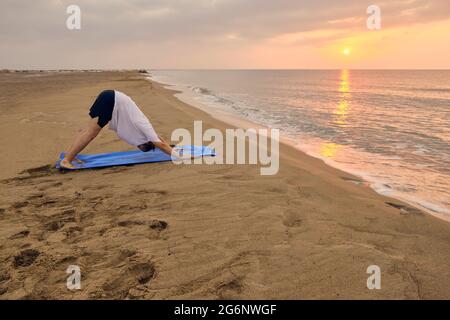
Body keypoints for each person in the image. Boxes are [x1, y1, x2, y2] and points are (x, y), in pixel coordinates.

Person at [60, 90, 177, 169]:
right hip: (111, 101)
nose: (139, 148)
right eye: (142, 148)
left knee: (88, 131)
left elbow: (159, 141)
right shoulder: (145, 128)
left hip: (110, 97)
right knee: (91, 133)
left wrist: (169, 147)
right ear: (146, 142)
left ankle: (71, 155)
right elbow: (160, 143)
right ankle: (66, 160)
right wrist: (178, 156)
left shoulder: (144, 133)